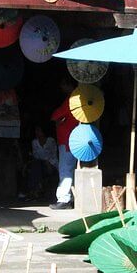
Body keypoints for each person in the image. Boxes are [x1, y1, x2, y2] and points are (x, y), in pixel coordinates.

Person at [50, 80, 78, 209]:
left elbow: (56, 115)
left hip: (68, 139)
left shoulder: (72, 99)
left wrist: (60, 120)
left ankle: (64, 198)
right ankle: (68, 197)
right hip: (72, 137)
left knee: (65, 169)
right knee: (69, 168)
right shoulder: (77, 99)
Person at [23, 124, 57, 199]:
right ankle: (35, 189)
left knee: (37, 167)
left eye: (39, 130)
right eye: (36, 131)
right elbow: (36, 155)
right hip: (39, 163)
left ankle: (33, 190)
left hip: (51, 164)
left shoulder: (50, 141)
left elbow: (53, 154)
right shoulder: (34, 142)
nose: (37, 132)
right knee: (36, 165)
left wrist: (47, 162)